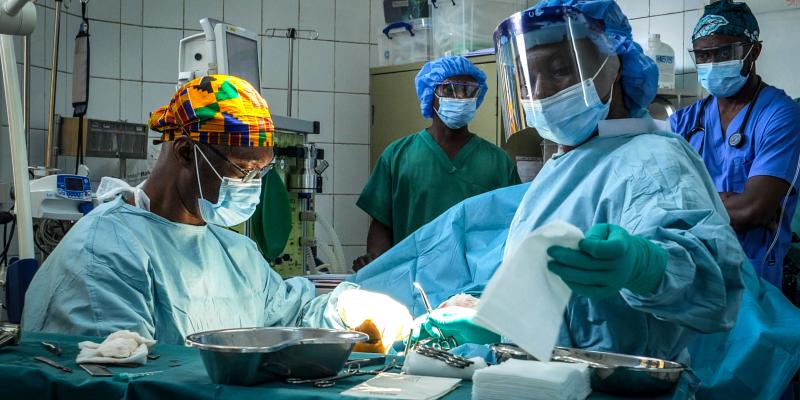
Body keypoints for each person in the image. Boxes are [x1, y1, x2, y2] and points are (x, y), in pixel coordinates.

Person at [357, 0, 746, 371]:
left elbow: (712, 284)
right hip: (550, 379)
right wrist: (487, 316)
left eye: (560, 69)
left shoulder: (651, 160)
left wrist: (644, 264)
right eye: (529, 76)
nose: (539, 90)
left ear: (616, 67)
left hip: (618, 385)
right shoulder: (569, 164)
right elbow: (551, 301)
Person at [22, 75, 411, 347]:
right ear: (185, 153)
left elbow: (289, 316)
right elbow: (121, 374)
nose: (252, 184)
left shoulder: (233, 252)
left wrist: (346, 310)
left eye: (262, 171)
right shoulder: (105, 254)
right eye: (243, 168)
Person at [671, 0, 800, 292]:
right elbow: (657, 202)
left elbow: (753, 209)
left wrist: (690, 205)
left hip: (753, 277)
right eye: (703, 55)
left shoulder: (780, 114)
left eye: (725, 52)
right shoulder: (683, 121)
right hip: (688, 272)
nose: (713, 63)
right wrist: (731, 203)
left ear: (754, 51)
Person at [352, 56, 520, 270]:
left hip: (474, 284)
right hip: (410, 279)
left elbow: (512, 227)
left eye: (468, 90)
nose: (460, 97)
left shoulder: (497, 161)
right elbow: (382, 223)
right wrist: (377, 266)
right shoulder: (397, 155)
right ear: (430, 95)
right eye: (450, 90)